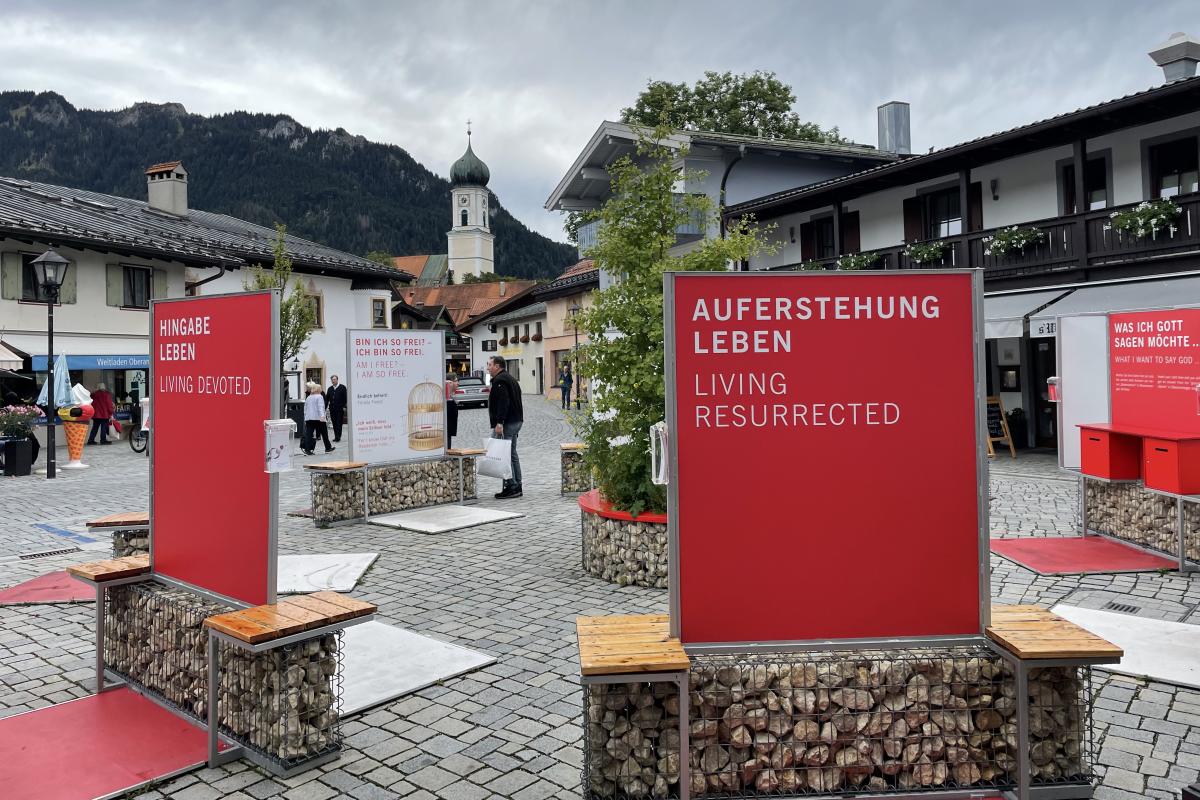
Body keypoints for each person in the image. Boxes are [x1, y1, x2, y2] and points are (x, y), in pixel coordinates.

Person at [486, 355, 523, 498]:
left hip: (507, 422)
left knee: (504, 454)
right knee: (512, 454)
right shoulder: (510, 378)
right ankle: (518, 484)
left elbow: (504, 402)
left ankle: (511, 486)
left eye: (490, 365)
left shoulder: (500, 381)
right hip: (516, 421)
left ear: (497, 366)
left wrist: (499, 422)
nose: (488, 368)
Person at [302, 382, 334, 455]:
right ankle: (328, 448)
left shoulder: (308, 397)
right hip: (318, 418)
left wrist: (305, 417)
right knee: (324, 433)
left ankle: (307, 450)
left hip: (309, 418)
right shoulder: (319, 396)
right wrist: (322, 416)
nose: (321, 390)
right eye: (320, 388)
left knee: (309, 434)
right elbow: (321, 407)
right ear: (318, 389)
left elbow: (305, 408)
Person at [327, 375, 347, 442]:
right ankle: (336, 436)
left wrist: (344, 406)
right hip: (332, 409)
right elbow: (327, 399)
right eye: (332, 380)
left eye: (334, 379)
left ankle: (338, 437)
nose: (333, 381)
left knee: (339, 423)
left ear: (337, 380)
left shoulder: (342, 387)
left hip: (340, 408)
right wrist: (324, 407)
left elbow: (345, 398)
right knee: (334, 423)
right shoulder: (330, 389)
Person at [444, 372, 459, 449]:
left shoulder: (452, 394)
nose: (458, 383)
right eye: (456, 381)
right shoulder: (446, 397)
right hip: (447, 428)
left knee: (449, 436)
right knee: (447, 436)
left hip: (450, 428)